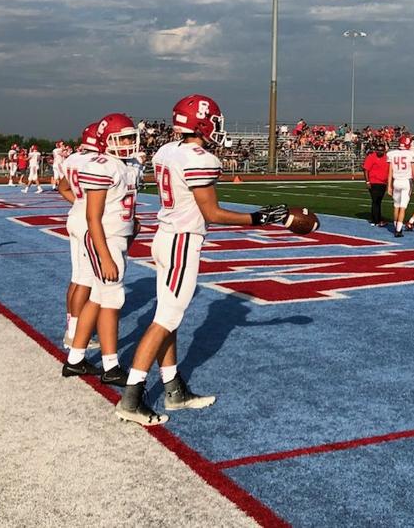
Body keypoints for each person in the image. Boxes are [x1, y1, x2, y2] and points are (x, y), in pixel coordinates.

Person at [114, 94, 287, 425]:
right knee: (165, 319)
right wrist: (258, 219)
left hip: (165, 237)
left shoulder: (166, 151)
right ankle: (132, 398)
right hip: (182, 241)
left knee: (170, 317)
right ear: (201, 122)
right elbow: (212, 212)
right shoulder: (201, 159)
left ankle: (174, 389)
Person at [61, 114, 141, 387]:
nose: (129, 143)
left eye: (131, 137)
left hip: (116, 235)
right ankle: (111, 365)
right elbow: (93, 217)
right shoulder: (103, 166)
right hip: (103, 238)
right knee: (111, 300)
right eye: (123, 138)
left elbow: (123, 203)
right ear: (106, 141)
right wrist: (105, 254)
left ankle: (75, 359)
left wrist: (132, 224)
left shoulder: (128, 165)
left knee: (97, 298)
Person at [56, 122, 103, 353]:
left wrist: (81, 204)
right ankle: (75, 334)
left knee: (77, 278)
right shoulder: (95, 163)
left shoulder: (73, 158)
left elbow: (62, 187)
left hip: (76, 216)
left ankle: (71, 327)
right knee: (86, 280)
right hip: (87, 221)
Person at [386, 134, 414, 237]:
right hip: (406, 182)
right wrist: (413, 183)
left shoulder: (392, 154)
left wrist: (389, 186)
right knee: (403, 207)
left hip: (396, 181)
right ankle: (398, 230)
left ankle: (396, 226)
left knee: (396, 206)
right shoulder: (411, 154)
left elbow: (390, 171)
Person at [362, 145, 388, 226]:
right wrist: (368, 181)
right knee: (375, 200)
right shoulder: (371, 157)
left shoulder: (387, 158)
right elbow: (366, 169)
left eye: (381, 150)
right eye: (378, 150)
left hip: (383, 183)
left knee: (379, 201)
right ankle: (375, 220)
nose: (379, 152)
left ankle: (377, 218)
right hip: (374, 182)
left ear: (384, 151)